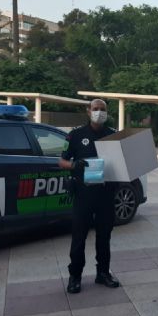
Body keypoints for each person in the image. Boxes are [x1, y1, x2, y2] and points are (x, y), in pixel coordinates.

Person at [59, 99, 120, 294]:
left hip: (105, 195)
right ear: (88, 111)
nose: (99, 112)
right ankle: (75, 276)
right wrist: (74, 165)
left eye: (102, 109)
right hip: (83, 194)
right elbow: (61, 161)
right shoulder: (76, 135)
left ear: (107, 112)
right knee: (79, 237)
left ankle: (103, 273)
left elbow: (121, 163)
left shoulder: (114, 135)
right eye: (95, 109)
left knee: (104, 237)